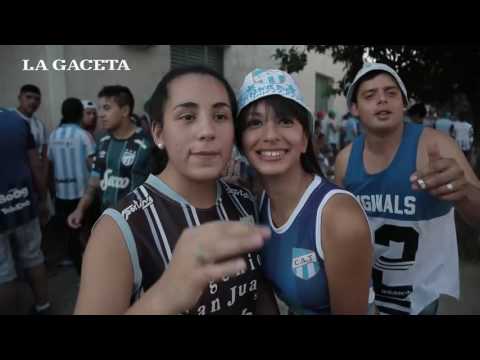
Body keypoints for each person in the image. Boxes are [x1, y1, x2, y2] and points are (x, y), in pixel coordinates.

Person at [74, 65, 278, 315]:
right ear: (158, 133)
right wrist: (163, 297)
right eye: (188, 117)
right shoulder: (119, 229)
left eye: (220, 116)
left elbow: (259, 294)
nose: (207, 132)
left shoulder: (244, 201)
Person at [335, 62, 480, 315]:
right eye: (370, 95)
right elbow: (335, 231)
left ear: (403, 104)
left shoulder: (436, 146)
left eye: (391, 93)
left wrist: (463, 191)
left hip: (421, 299)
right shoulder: (345, 161)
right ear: (354, 109)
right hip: (365, 294)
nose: (382, 99)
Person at [236, 68, 373, 314]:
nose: (270, 136)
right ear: (241, 142)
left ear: (305, 139)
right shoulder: (258, 202)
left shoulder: (338, 218)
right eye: (255, 123)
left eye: (285, 121)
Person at [67, 85, 154, 231]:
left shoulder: (147, 145)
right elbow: (93, 184)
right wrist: (79, 209)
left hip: (138, 227)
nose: (100, 114)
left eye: (106, 108)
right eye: (99, 108)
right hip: (108, 222)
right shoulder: (103, 143)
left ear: (125, 111)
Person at [0, 110, 50, 314]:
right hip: (24, 204)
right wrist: (43, 199)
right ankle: (43, 306)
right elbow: (35, 163)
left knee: (3, 272)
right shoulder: (15, 120)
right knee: (33, 257)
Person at [48, 98, 96, 274]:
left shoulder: (53, 135)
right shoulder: (84, 136)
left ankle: (81, 272)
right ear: (79, 114)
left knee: (70, 237)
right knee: (87, 233)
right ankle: (93, 271)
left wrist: (51, 191)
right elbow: (93, 165)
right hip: (82, 196)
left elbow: (49, 165)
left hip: (61, 196)